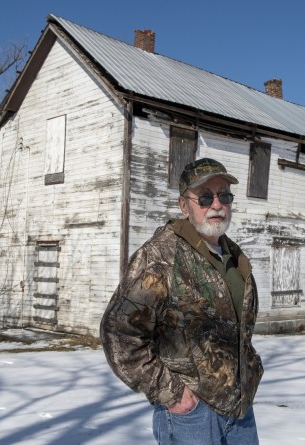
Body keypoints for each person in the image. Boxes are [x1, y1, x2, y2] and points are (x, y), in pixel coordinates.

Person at [100, 158, 264, 445]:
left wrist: (250, 370)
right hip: (192, 416)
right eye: (204, 196)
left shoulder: (234, 257)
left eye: (224, 195)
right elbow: (119, 332)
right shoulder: (160, 257)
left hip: (240, 411)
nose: (216, 204)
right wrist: (171, 392)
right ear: (183, 205)